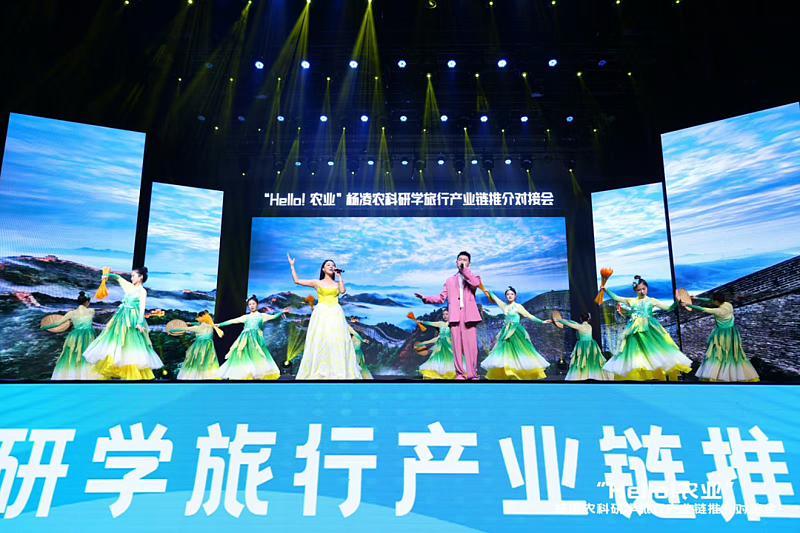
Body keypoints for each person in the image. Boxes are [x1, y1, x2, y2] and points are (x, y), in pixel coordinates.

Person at [603, 275, 692, 381]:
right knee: (636, 354)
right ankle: (640, 377)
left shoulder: (652, 300)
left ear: (647, 288)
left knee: (654, 351)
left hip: (649, 329)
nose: (642, 292)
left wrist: (676, 302)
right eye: (639, 290)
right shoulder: (631, 300)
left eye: (643, 289)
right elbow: (616, 298)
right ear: (635, 290)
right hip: (634, 330)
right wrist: (605, 290)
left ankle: (657, 374)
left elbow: (668, 308)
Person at [288, 254, 363, 379]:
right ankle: (321, 368)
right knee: (321, 339)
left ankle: (337, 370)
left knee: (336, 340)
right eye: (328, 265)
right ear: (323, 269)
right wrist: (292, 266)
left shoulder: (336, 283)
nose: (331, 266)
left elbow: (342, 291)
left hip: (335, 312)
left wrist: (339, 276)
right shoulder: (317, 282)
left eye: (333, 265)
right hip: (321, 313)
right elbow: (297, 281)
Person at [82, 267, 163, 380]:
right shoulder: (129, 287)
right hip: (121, 317)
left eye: (133, 276)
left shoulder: (142, 291)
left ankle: (129, 369)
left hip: (132, 319)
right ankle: (116, 363)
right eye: (131, 276)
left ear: (141, 277)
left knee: (130, 342)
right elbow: (119, 278)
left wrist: (140, 322)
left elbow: (142, 308)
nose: (131, 278)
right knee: (116, 340)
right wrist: (108, 275)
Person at [415, 252, 482, 380]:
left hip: (469, 316)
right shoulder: (450, 281)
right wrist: (425, 298)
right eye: (460, 259)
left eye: (465, 260)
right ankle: (460, 374)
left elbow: (475, 284)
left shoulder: (474, 277)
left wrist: (464, 270)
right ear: (456, 262)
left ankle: (472, 374)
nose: (462, 261)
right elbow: (441, 298)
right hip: (455, 316)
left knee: (471, 348)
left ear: (469, 263)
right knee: (456, 347)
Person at [480, 286, 552, 380]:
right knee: (506, 352)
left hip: (516, 331)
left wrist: (541, 321)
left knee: (519, 351)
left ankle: (519, 372)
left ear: (515, 295)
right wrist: (489, 292)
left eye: (512, 294)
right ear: (506, 296)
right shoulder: (505, 307)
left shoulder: (518, 306)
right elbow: (496, 299)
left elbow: (528, 315)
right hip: (506, 332)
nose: (510, 296)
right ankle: (509, 373)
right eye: (508, 294)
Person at [685, 293, 759, 382]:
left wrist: (688, 305)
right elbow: (710, 301)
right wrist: (697, 298)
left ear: (716, 301)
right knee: (733, 353)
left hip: (721, 335)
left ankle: (718, 375)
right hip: (732, 333)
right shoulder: (728, 305)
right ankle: (734, 375)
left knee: (717, 354)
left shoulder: (719, 311)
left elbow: (703, 309)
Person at [215, 295, 288, 380]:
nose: (251, 306)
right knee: (242, 356)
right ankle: (244, 374)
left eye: (253, 304)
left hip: (256, 340)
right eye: (250, 304)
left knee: (257, 355)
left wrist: (282, 312)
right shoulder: (246, 317)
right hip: (245, 340)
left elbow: (273, 317)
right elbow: (233, 321)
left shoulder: (261, 316)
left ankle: (255, 375)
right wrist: (220, 324)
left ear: (257, 304)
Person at [41, 291, 103, 380]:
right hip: (88, 336)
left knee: (73, 356)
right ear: (87, 302)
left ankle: (72, 376)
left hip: (75, 337)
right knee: (88, 356)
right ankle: (87, 376)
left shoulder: (71, 313)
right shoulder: (91, 311)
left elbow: (57, 323)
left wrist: (44, 327)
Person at [555, 312, 614, 381]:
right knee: (593, 361)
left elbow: (571, 324)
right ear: (588, 319)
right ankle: (594, 375)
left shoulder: (580, 327)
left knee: (581, 362)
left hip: (583, 346)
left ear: (581, 319)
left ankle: (582, 376)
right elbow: (575, 323)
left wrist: (557, 320)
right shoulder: (589, 326)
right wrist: (567, 320)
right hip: (591, 345)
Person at [169, 311, 222, 380]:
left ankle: (194, 377)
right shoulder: (211, 326)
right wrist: (191, 323)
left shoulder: (197, 328)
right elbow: (203, 323)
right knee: (208, 361)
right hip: (209, 346)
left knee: (196, 361)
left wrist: (170, 331)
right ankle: (207, 376)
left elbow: (183, 328)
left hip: (198, 347)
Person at [415, 309, 457, 380]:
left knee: (449, 362)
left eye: (447, 314)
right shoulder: (441, 324)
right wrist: (421, 322)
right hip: (439, 346)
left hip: (448, 346)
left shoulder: (452, 324)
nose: (445, 316)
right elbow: (431, 323)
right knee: (436, 361)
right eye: (444, 314)